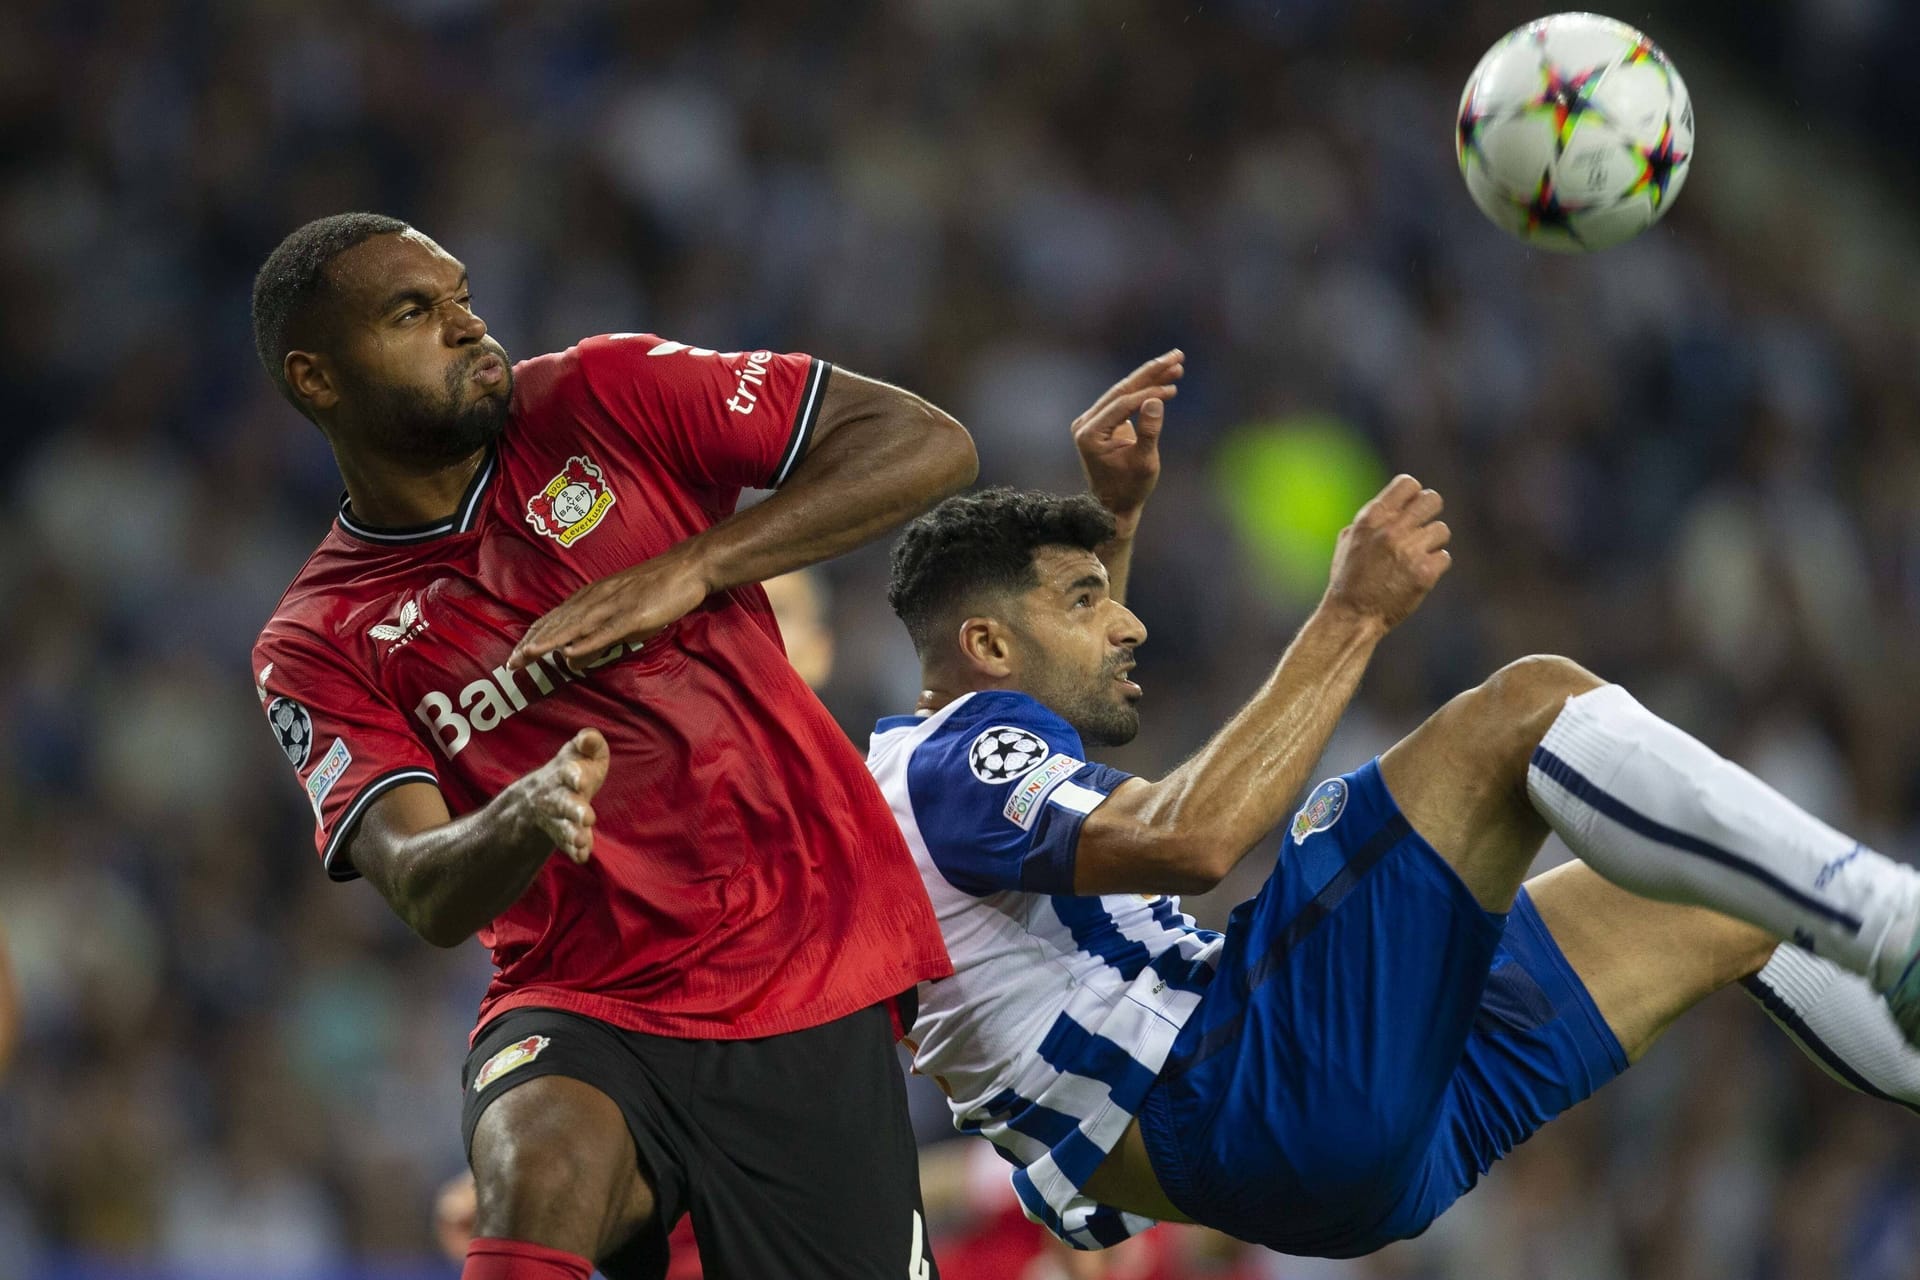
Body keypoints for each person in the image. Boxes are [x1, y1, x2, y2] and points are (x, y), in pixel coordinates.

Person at [870, 351, 1920, 1255]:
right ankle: (1891, 912)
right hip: (1244, 1085)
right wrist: (1352, 613)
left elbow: (1078, 764)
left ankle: (1871, 919)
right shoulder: (949, 759)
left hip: (1309, 1141)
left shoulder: (950, 791)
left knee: (1727, 889)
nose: (1129, 624)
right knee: (1525, 707)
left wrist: (1116, 521)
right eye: (1085, 600)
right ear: (986, 646)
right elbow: (1189, 838)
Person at [249, 212, 975, 1280]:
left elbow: (928, 443)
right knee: (536, 1161)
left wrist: (694, 566)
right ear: (318, 377)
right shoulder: (318, 639)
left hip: (807, 962)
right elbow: (420, 885)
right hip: (584, 995)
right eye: (414, 312)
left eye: (459, 294)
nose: (465, 325)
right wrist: (523, 813)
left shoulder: (603, 395)